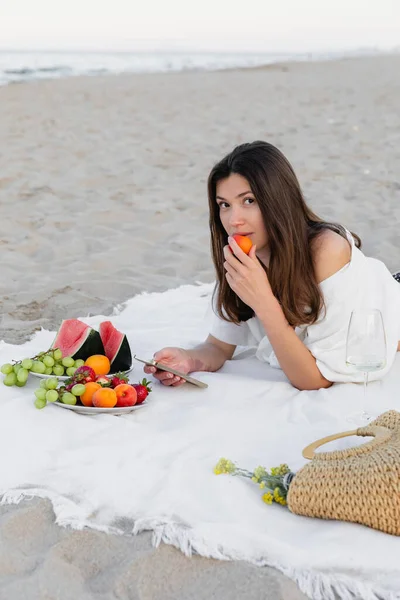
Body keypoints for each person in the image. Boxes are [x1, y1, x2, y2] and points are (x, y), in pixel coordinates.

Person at [144, 141, 400, 390]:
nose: (234, 220)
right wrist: (188, 359)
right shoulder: (243, 259)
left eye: (249, 201)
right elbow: (219, 347)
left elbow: (313, 380)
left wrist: (263, 301)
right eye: (224, 205)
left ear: (278, 199)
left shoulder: (326, 251)